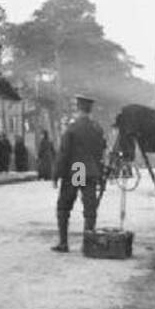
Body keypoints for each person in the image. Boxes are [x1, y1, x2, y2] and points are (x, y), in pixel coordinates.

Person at [52, 94, 107, 253]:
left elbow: (64, 153)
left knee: (64, 205)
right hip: (92, 170)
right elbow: (101, 151)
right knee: (90, 207)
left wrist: (56, 174)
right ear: (90, 109)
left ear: (78, 108)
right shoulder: (97, 128)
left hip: (77, 168)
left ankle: (63, 243)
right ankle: (88, 244)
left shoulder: (73, 128)